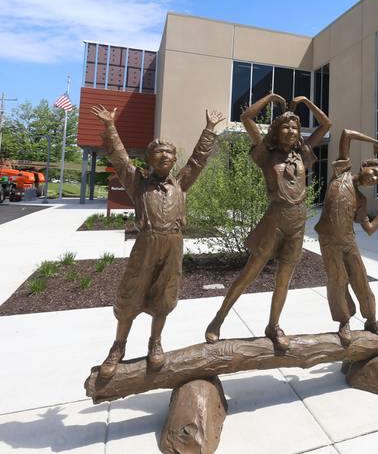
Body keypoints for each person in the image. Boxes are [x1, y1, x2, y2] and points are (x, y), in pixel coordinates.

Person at [90, 105, 224, 378]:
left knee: (165, 295)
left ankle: (155, 342)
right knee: (131, 295)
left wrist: (209, 130)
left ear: (175, 159)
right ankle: (118, 346)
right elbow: (120, 159)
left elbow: (197, 161)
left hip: (173, 246)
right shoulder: (137, 183)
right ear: (149, 159)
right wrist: (110, 127)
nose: (164, 155)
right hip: (146, 246)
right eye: (158, 152)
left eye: (169, 152)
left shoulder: (181, 184)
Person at [205, 93, 331, 351]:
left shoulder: (303, 153)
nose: (292, 130)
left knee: (284, 279)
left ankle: (273, 325)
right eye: (285, 126)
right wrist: (272, 97)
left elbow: (326, 125)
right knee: (249, 273)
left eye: (295, 126)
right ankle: (218, 319)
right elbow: (246, 117)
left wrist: (306, 103)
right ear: (275, 131)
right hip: (274, 220)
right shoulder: (266, 154)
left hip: (297, 223)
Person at [315, 129, 378, 346]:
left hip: (349, 242)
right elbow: (346, 134)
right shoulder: (342, 171)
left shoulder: (361, 200)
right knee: (337, 281)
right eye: (374, 172)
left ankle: (372, 319)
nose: (374, 178)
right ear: (364, 166)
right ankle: (343, 322)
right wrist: (374, 140)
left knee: (361, 279)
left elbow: (369, 228)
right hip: (329, 241)